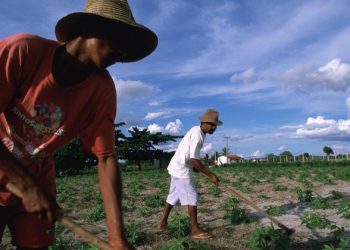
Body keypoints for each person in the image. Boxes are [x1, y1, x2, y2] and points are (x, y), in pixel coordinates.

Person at [0, 0, 157, 249]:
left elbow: (106, 159)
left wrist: (117, 238)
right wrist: (24, 183)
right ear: (92, 27)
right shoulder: (22, 51)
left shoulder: (101, 90)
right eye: (121, 40)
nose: (123, 53)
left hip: (37, 175)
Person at [158, 109, 222, 239]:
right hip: (181, 169)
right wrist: (211, 175)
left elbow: (192, 158)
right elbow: (194, 160)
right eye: (211, 124)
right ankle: (195, 230)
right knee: (192, 197)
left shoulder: (197, 131)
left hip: (177, 166)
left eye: (215, 125)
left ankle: (162, 223)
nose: (214, 127)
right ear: (203, 122)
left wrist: (197, 167)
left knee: (173, 197)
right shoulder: (198, 135)